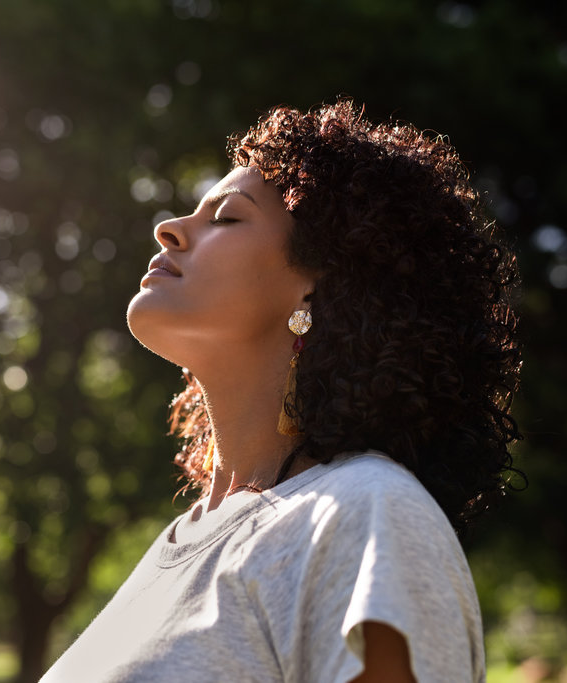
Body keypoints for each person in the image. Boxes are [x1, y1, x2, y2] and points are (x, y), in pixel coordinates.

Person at [41, 99, 521, 682]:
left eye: (226, 218)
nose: (168, 228)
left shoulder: (365, 513)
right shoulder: (182, 542)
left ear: (317, 291)